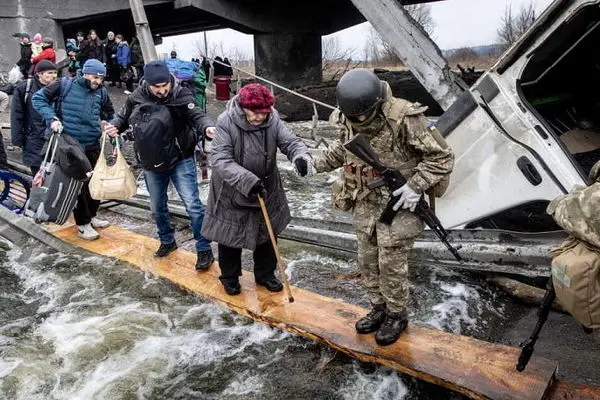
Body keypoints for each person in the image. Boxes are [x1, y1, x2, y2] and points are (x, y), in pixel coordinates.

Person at [311, 68, 454, 345]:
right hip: (365, 201)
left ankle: (397, 315)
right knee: (367, 261)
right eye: (357, 116)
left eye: (367, 114)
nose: (362, 120)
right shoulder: (347, 117)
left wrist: (416, 186)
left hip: (400, 201)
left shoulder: (404, 118)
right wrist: (314, 164)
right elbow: (343, 150)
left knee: (391, 264)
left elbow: (443, 157)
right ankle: (378, 308)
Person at [200, 83, 314, 295]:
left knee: (267, 235)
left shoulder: (273, 118)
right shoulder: (226, 121)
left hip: (266, 186)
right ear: (244, 107)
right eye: (255, 113)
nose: (260, 117)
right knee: (230, 235)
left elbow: (290, 142)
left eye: (264, 113)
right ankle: (230, 277)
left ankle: (265, 275)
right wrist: (247, 180)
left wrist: (301, 156)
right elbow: (220, 159)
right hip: (232, 188)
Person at [103, 61, 216, 271]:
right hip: (151, 160)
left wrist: (208, 127)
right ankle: (167, 240)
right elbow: (123, 116)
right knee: (157, 207)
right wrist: (115, 126)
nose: (162, 90)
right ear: (148, 84)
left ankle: (204, 249)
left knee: (192, 205)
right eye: (157, 87)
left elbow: (197, 115)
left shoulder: (180, 95)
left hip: (180, 158)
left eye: (165, 85)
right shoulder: (136, 96)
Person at [32, 59, 115, 240]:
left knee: (94, 183)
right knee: (76, 186)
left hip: (92, 143)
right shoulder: (64, 85)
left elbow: (110, 113)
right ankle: (83, 224)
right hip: (70, 145)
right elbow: (37, 99)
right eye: (95, 77)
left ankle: (92, 216)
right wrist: (52, 118)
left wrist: (109, 123)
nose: (98, 81)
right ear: (85, 73)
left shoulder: (101, 91)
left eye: (101, 78)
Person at [11, 60, 58, 175]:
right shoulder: (25, 88)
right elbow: (17, 114)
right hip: (33, 138)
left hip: (55, 138)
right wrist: (17, 139)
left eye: (55, 73)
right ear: (39, 74)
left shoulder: (59, 88)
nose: (53, 76)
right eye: (49, 73)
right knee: (38, 175)